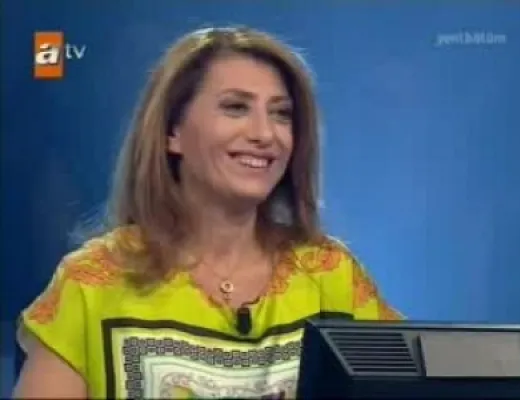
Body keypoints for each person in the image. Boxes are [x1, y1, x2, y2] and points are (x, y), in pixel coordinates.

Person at [14, 26, 403, 399]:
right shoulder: (92, 283)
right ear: (172, 132)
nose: (265, 134)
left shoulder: (331, 275)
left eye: (281, 114)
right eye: (236, 108)